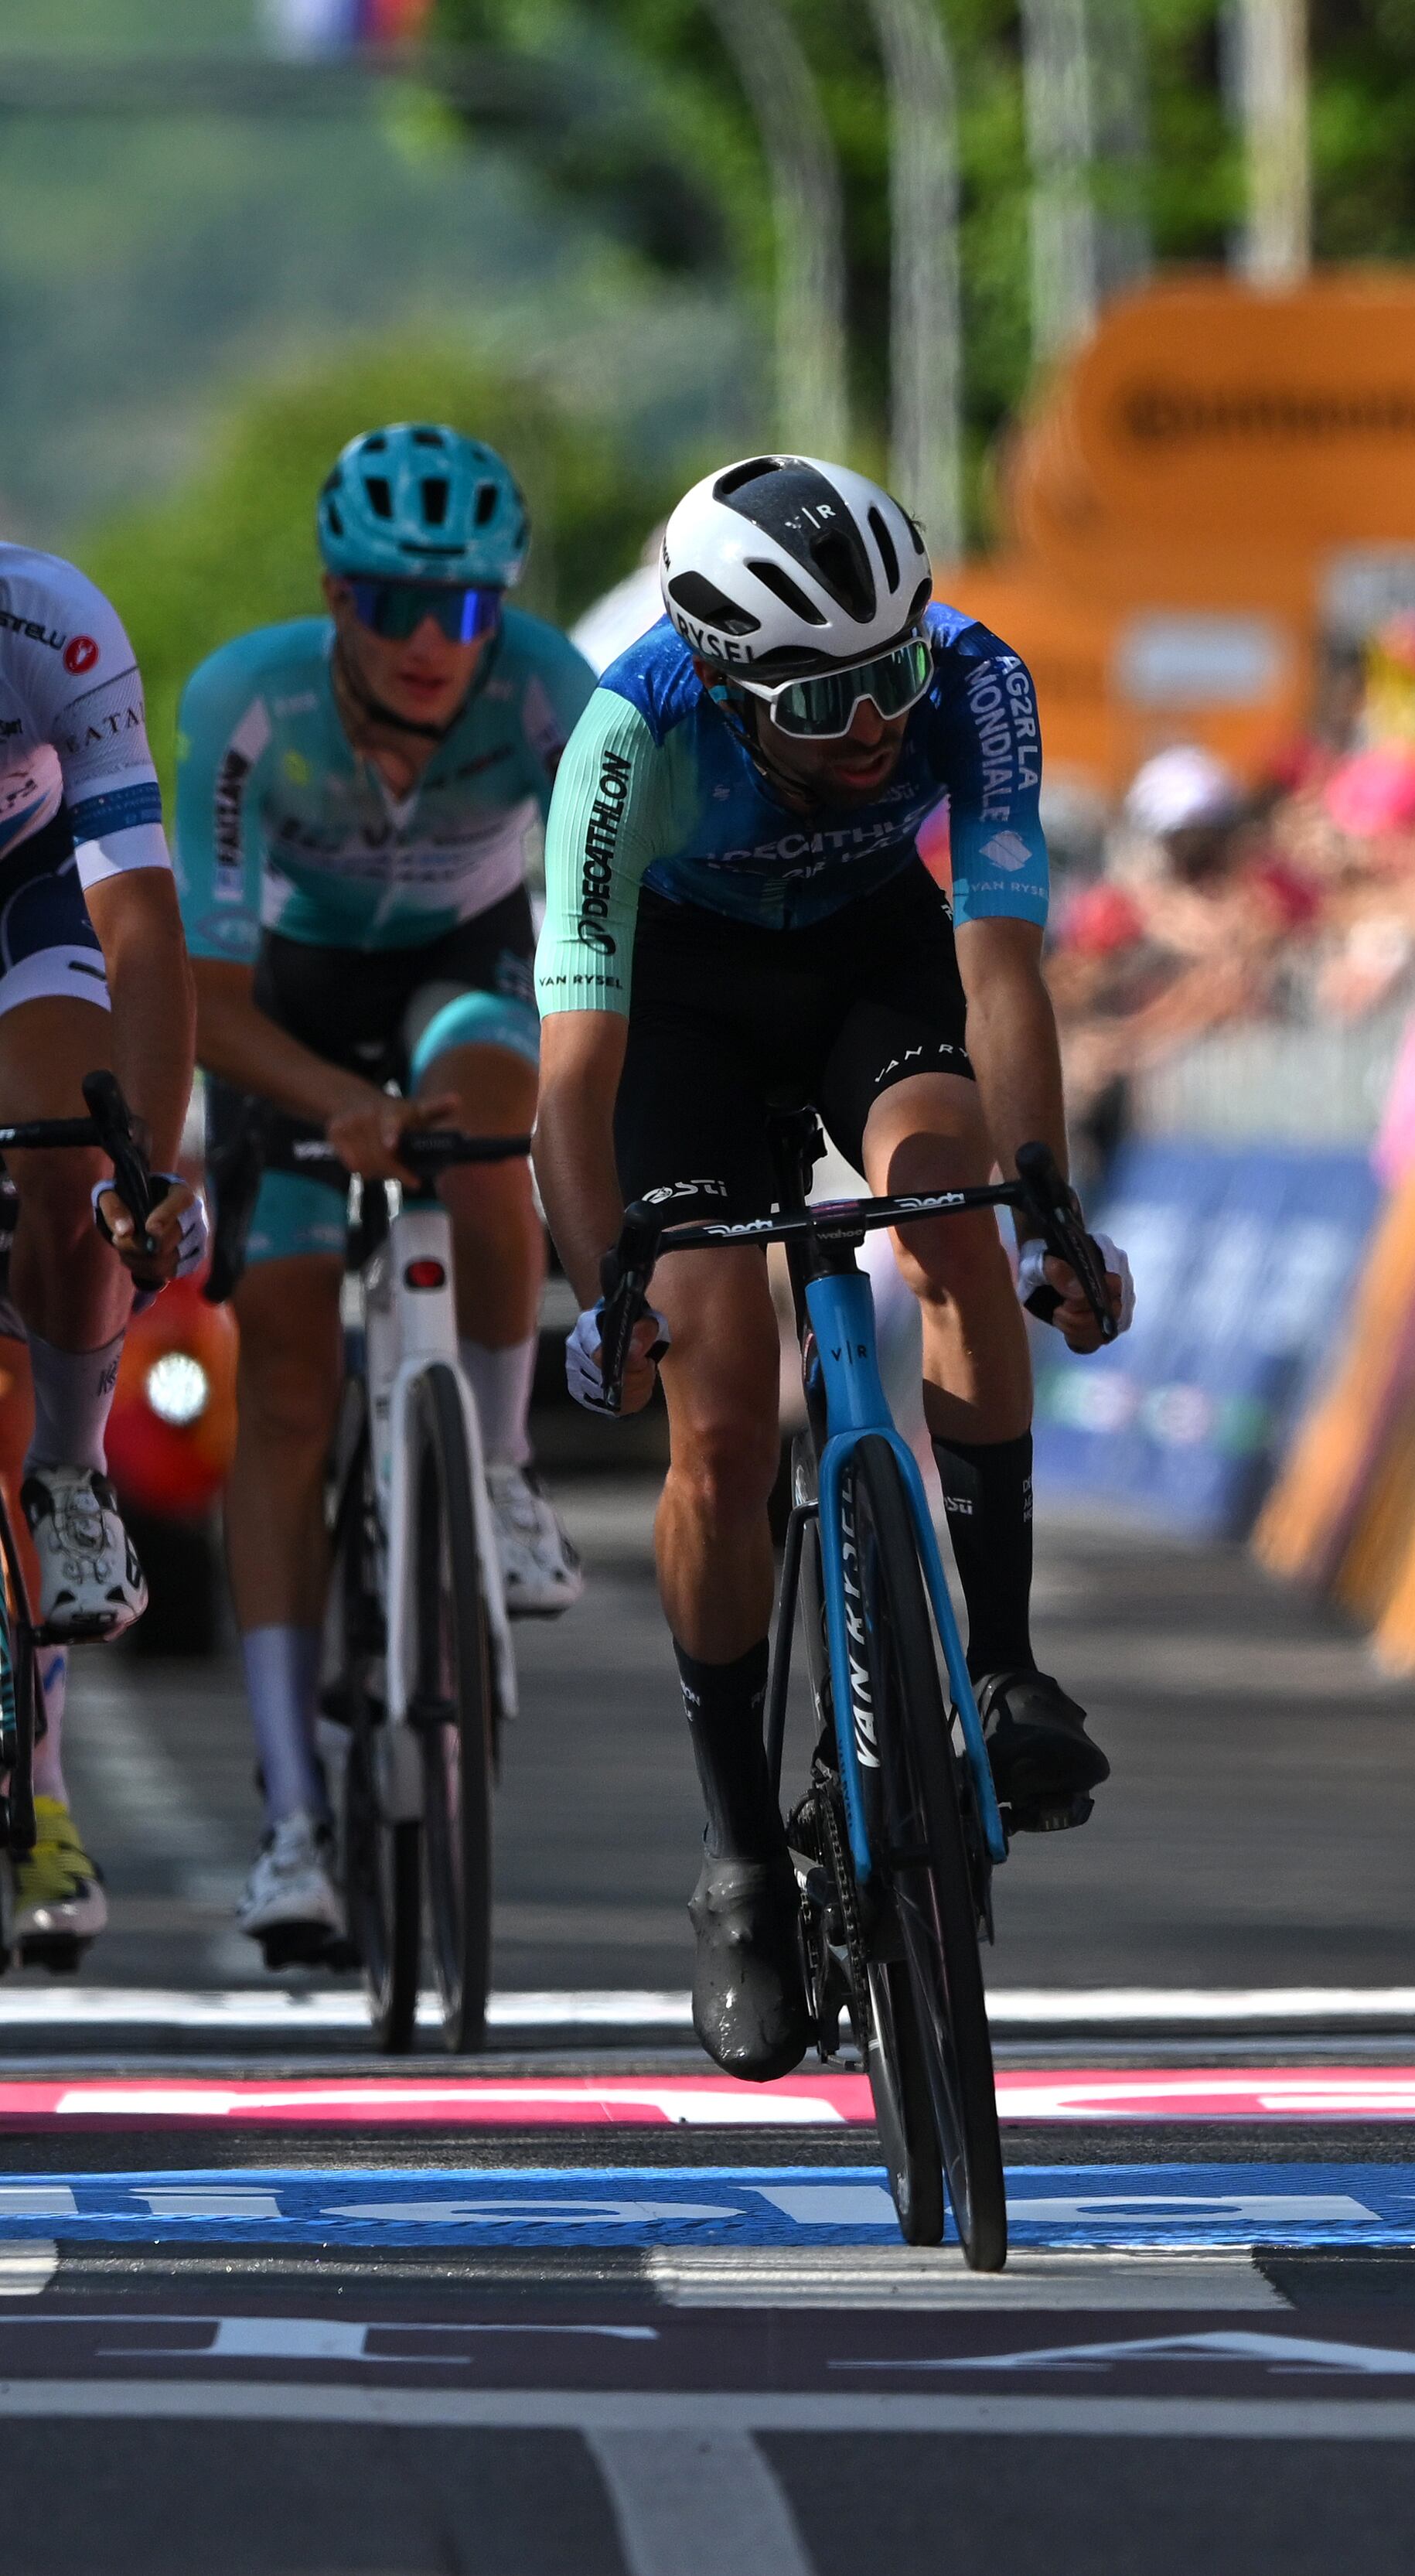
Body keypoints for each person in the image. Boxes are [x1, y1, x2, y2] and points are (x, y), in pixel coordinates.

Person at [531, 455, 1134, 2080]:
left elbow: (1002, 975)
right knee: (720, 1416)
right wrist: (604, 1286)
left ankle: (1000, 1668)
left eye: (890, 680)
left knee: (949, 1209)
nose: (871, 729)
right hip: (685, 1007)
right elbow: (573, 1075)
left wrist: (1046, 1206)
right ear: (725, 686)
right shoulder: (625, 735)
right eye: (817, 708)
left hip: (876, 954)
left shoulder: (980, 680)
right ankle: (738, 1852)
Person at [178, 423, 601, 1964]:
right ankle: (295, 1817)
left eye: (466, 610)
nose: (433, 643)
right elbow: (204, 997)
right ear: (332, 597)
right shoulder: (247, 700)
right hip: (280, 1006)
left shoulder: (554, 692)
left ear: (502, 611)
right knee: (287, 1370)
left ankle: (491, 1472)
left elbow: (603, 931)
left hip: (460, 974)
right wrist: (334, 1104)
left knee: (499, 1114)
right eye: (391, 603)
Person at [0, 546, 211, 1967]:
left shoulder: (55, 622)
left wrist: (145, 1172)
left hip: (30, 912)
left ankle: (70, 1473)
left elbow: (139, 925)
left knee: (70, 1153)